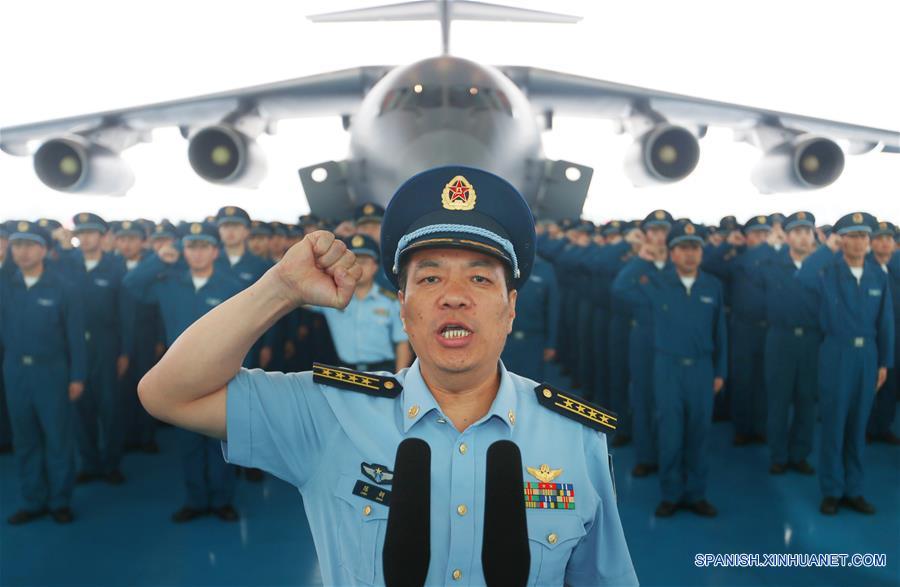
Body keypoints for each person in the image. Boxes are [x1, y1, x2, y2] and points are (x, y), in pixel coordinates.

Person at [136, 166, 638, 586]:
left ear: (511, 309)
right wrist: (280, 288)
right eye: (430, 277)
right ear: (403, 307)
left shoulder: (576, 437)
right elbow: (167, 394)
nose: (454, 295)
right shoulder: (328, 412)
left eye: (481, 277)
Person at [123, 222, 244, 522]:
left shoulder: (230, 287)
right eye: (191, 246)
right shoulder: (169, 282)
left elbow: (244, 332)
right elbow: (131, 284)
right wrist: (159, 257)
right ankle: (196, 499)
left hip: (219, 376)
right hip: (179, 377)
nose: (198, 253)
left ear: (215, 251)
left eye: (204, 246)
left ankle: (222, 500)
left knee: (220, 441)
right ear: (183, 250)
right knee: (188, 442)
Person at [615, 221, 727, 518]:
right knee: (670, 433)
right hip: (668, 368)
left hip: (702, 369)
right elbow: (620, 288)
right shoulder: (657, 283)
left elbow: (721, 333)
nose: (690, 254)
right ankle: (671, 493)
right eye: (683, 248)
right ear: (672, 252)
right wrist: (643, 257)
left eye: (695, 247)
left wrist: (720, 372)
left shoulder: (712, 286)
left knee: (699, 433)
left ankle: (696, 493)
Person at [797, 212, 894, 515]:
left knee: (857, 427)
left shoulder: (878, 275)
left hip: (867, 357)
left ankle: (854, 489)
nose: (860, 242)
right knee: (835, 425)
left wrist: (884, 363)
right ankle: (832, 489)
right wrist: (827, 247)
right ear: (842, 240)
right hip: (836, 353)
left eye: (864, 236)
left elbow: (886, 322)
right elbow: (802, 276)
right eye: (852, 236)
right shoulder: (827, 271)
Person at [1, 222, 86, 524]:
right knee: (24, 440)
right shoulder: (5, 284)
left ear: (44, 250)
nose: (22, 252)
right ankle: (33, 499)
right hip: (15, 372)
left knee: (57, 438)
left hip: (52, 372)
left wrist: (77, 376)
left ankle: (60, 500)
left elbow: (75, 337)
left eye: (29, 245)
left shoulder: (64, 288)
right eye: (17, 245)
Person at [750, 212, 820, 475]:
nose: (803, 236)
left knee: (806, 401)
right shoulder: (772, 263)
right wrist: (769, 243)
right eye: (797, 231)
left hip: (812, 340)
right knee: (778, 400)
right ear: (788, 236)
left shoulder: (820, 266)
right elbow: (749, 267)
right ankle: (778, 455)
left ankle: (800, 454)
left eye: (807, 231)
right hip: (780, 339)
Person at [612, 209, 674, 478]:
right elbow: (620, 288)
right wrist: (640, 259)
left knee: (669, 400)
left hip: (673, 338)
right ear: (646, 234)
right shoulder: (638, 266)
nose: (659, 237)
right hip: (644, 337)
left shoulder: (678, 263)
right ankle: (647, 455)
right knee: (643, 395)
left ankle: (669, 454)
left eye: (663, 231)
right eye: (654, 231)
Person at [306, 234, 412, 373]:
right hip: (344, 372)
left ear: (375, 266)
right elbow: (299, 298)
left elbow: (402, 343)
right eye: (352, 261)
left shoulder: (390, 301)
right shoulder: (331, 297)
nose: (358, 266)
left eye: (364, 261)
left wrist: (399, 380)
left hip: (382, 371)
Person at [866, 220, 900, 445]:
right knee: (868, 384)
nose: (885, 243)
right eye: (879, 238)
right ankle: (865, 426)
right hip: (870, 337)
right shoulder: (862, 267)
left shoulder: (895, 270)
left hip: (895, 336)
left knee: (892, 384)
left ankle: (883, 426)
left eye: (889, 238)